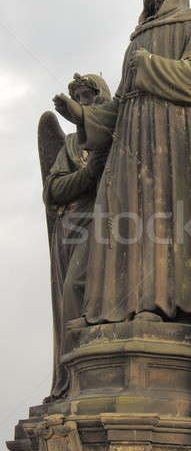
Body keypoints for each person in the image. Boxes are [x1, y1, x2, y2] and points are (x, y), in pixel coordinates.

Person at [53, 0, 191, 326]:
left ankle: (160, 305)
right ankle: (115, 309)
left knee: (163, 221)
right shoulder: (138, 38)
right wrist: (82, 116)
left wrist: (148, 65)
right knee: (123, 220)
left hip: (172, 139)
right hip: (131, 139)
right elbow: (121, 101)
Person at [43, 73, 111, 399]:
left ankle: (97, 369)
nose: (84, 104)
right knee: (72, 295)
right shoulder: (71, 144)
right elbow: (53, 190)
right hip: (72, 229)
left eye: (90, 97)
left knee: (93, 297)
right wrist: (86, 175)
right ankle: (71, 377)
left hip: (114, 229)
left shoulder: (117, 137)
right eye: (79, 98)